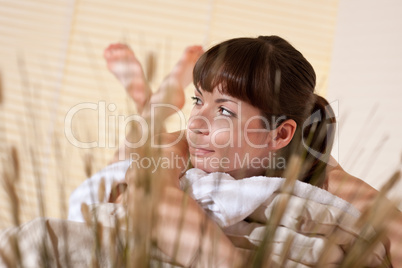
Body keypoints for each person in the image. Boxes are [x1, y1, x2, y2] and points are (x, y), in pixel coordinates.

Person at [99, 36, 402, 267]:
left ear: (279, 135)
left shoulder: (319, 168)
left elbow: (395, 233)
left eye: (225, 111)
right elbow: (152, 202)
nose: (196, 122)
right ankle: (153, 102)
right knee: (125, 159)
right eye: (197, 100)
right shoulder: (176, 145)